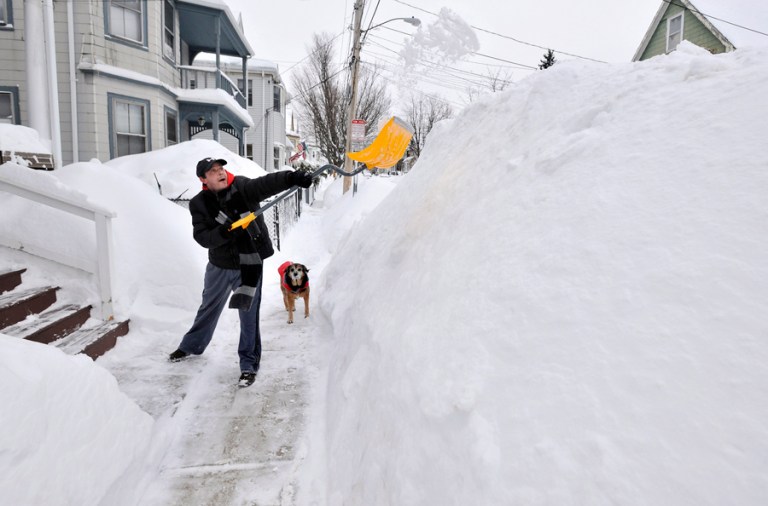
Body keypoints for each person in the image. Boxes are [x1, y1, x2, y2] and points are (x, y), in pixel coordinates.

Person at [168, 157, 313, 387]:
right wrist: (224, 232)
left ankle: (248, 364)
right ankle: (191, 346)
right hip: (219, 265)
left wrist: (292, 177)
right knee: (208, 307)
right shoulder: (200, 203)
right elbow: (202, 237)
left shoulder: (243, 188)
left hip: (249, 264)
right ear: (204, 179)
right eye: (213, 171)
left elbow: (267, 183)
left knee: (249, 316)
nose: (220, 173)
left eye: (221, 168)